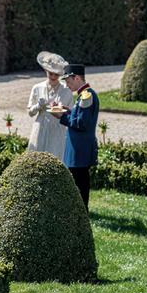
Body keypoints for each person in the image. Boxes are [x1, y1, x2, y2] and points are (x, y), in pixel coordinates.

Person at [50, 64, 99, 211]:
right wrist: (67, 110)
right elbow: (80, 116)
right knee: (78, 181)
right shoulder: (84, 94)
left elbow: (81, 123)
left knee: (80, 182)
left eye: (68, 81)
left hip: (80, 149)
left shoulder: (86, 95)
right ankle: (78, 212)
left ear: (77, 78)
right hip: (78, 147)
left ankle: (81, 212)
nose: (67, 85)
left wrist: (61, 116)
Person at [27, 51, 74, 161]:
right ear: (45, 71)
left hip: (57, 129)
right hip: (40, 127)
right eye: (50, 73)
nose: (53, 76)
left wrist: (53, 108)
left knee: (55, 160)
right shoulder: (37, 88)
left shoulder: (66, 91)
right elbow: (30, 112)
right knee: (36, 159)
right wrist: (38, 106)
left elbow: (68, 112)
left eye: (56, 74)